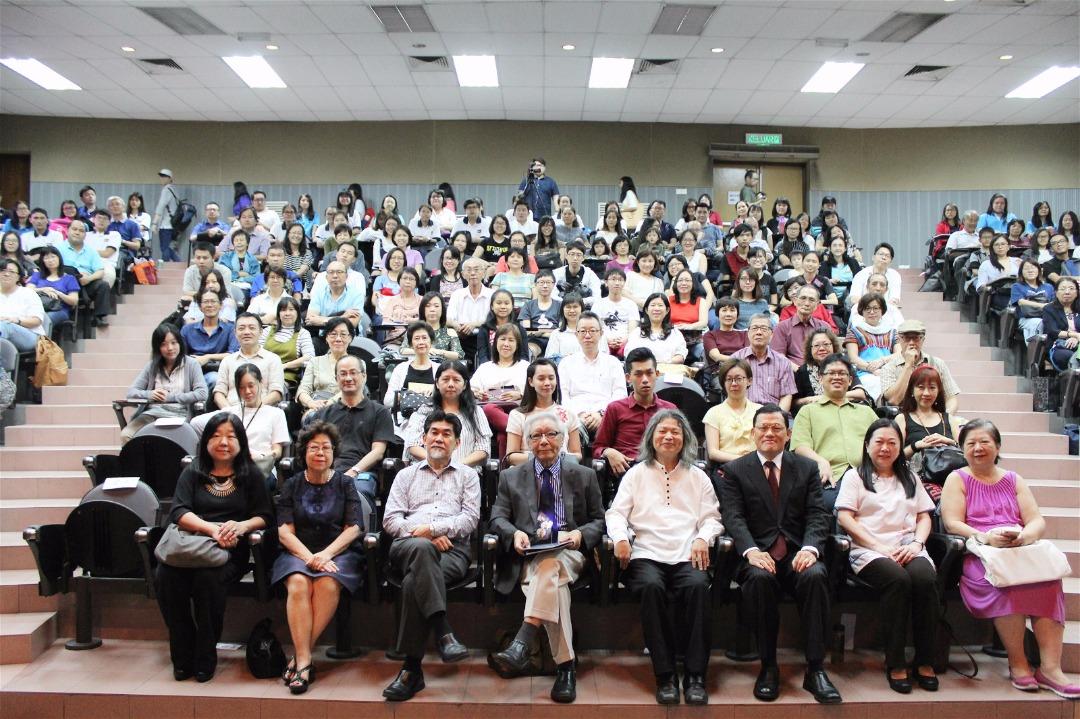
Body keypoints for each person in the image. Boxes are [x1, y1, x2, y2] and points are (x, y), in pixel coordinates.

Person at [940, 420, 1079, 699]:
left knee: (1048, 582)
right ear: (963, 449)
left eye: (985, 442)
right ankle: (1019, 664)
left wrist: (1025, 536)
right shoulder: (957, 478)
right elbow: (952, 523)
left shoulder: (1014, 479)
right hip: (981, 554)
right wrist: (985, 537)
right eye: (971, 444)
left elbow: (1036, 520)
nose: (978, 448)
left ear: (998, 446)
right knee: (1007, 585)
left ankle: (1051, 669)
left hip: (1017, 549)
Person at [718, 404, 841, 705]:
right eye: (763, 428)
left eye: (777, 428)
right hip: (758, 554)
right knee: (759, 580)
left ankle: (815, 669)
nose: (770, 433)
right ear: (753, 432)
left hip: (798, 551)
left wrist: (812, 548)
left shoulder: (806, 468)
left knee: (815, 576)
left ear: (788, 434)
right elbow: (733, 518)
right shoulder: (735, 470)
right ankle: (768, 666)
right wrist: (750, 551)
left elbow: (817, 514)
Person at [606, 409, 722, 706]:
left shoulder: (698, 476)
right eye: (662, 431)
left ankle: (696, 676)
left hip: (687, 553)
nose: (669, 436)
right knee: (650, 588)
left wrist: (701, 538)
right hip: (646, 553)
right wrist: (620, 538)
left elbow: (712, 518)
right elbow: (616, 513)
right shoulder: (636, 473)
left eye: (675, 432)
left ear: (685, 439)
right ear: (651, 437)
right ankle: (665, 675)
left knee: (698, 588)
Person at [487, 412, 604, 703]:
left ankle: (523, 642)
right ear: (526, 443)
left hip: (569, 551)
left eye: (551, 434)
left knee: (552, 565)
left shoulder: (584, 475)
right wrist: (514, 533)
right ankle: (566, 668)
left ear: (563, 439)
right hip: (529, 554)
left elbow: (599, 520)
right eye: (536, 436)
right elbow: (497, 517)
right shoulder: (511, 477)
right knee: (554, 582)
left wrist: (578, 536)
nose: (544, 442)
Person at [155, 413, 271, 682]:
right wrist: (213, 530)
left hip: (230, 553)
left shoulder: (250, 474)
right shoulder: (193, 470)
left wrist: (240, 527)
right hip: (191, 546)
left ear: (240, 441)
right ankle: (182, 656)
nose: (223, 442)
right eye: (217, 435)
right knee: (166, 577)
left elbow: (265, 515)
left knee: (208, 581)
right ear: (206, 440)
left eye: (231, 436)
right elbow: (179, 511)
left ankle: (205, 656)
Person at [381, 411, 481, 702]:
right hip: (407, 546)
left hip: (453, 550)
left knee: (415, 582)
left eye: (446, 433)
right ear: (423, 438)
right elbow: (391, 521)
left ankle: (411, 669)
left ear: (457, 442)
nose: (439, 437)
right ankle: (443, 631)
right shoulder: (405, 475)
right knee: (422, 551)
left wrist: (436, 529)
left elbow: (470, 519)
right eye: (434, 432)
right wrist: (423, 534)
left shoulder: (468, 476)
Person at [835, 419, 940, 693]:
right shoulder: (854, 477)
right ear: (867, 446)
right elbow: (845, 518)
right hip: (868, 549)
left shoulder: (910, 478)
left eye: (892, 443)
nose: (885, 448)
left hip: (907, 545)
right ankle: (895, 662)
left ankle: (925, 659)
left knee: (925, 580)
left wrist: (917, 544)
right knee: (898, 581)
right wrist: (878, 546)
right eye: (879, 442)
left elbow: (924, 517)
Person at [272, 421, 363, 695]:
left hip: (338, 552)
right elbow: (284, 532)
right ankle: (305, 660)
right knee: (299, 583)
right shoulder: (292, 485)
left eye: (326, 447)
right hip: (298, 551)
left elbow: (354, 528)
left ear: (334, 452)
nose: (320, 452)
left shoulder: (346, 483)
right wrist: (309, 556)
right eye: (314, 448)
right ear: (304, 453)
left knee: (327, 583)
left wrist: (324, 555)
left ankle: (300, 658)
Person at [791, 353, 878, 509]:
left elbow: (881, 442)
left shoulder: (866, 412)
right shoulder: (808, 411)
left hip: (866, 476)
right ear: (820, 378)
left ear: (850, 380)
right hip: (830, 477)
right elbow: (800, 446)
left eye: (842, 373)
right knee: (831, 504)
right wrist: (821, 461)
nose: (837, 377)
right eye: (831, 373)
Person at [192, 363, 289, 478]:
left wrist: (264, 456)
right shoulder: (230, 412)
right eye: (242, 387)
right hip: (232, 467)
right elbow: (195, 423)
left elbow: (277, 450)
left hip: (261, 468)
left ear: (260, 383)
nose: (247, 391)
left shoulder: (276, 413)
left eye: (251, 385)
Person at [309, 355, 396, 483]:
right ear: (336, 379)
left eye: (353, 373)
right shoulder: (323, 414)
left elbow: (378, 452)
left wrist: (353, 472)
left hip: (361, 474)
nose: (348, 378)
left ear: (364, 376)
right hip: (326, 472)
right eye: (343, 374)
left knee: (358, 490)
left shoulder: (380, 412)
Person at [593, 346, 675, 477]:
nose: (644, 380)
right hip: (627, 472)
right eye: (638, 374)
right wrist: (608, 452)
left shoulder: (669, 410)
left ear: (657, 374)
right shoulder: (615, 408)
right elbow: (598, 447)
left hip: (662, 472)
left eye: (649, 373)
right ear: (628, 377)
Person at [122, 323, 208, 443]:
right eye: (164, 344)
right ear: (157, 347)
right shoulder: (152, 366)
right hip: (152, 414)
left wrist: (171, 397)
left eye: (174, 342)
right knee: (127, 435)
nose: (170, 348)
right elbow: (131, 393)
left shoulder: (191, 364)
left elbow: (202, 393)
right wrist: (149, 394)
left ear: (180, 343)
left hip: (180, 415)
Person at [403, 362, 492, 468]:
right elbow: (413, 446)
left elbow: (483, 449)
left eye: (456, 380)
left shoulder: (475, 412)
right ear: (436, 383)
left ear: (464, 385)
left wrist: (456, 466)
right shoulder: (424, 411)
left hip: (464, 473)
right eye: (445, 379)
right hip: (428, 470)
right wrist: (438, 463)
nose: (450, 384)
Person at [894, 365, 963, 501]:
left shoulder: (949, 419)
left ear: (938, 392)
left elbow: (966, 453)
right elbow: (894, 457)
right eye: (921, 387)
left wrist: (949, 442)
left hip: (951, 480)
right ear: (912, 391)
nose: (926, 393)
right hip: (917, 480)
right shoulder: (902, 419)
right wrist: (917, 446)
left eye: (932, 388)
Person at [558, 310, 627, 436]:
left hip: (606, 417)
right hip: (575, 419)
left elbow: (620, 394)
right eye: (583, 331)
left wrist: (601, 414)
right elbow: (563, 396)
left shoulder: (613, 363)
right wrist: (580, 415)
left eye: (592, 331)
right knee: (569, 428)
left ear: (601, 333)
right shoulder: (566, 363)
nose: (587, 335)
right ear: (576, 334)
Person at [505, 358, 583, 465]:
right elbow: (511, 456)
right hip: (527, 473)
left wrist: (556, 459)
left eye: (551, 378)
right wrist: (542, 458)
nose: (547, 383)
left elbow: (577, 454)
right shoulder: (518, 415)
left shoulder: (569, 414)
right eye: (541, 379)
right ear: (531, 381)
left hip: (561, 473)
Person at [880, 319, 961, 413]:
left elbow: (951, 398)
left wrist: (946, 418)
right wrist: (908, 365)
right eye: (906, 338)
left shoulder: (938, 364)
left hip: (933, 416)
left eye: (916, 338)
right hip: (902, 417)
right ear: (899, 340)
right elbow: (894, 400)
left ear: (923, 339)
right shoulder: (889, 367)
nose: (911, 343)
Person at [212, 313, 284, 409]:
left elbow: (276, 393)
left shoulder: (273, 359)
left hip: (261, 410)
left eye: (252, 328)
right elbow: (219, 392)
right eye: (241, 328)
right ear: (235, 333)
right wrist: (229, 411)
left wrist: (253, 408)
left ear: (261, 332)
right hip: (231, 412)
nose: (246, 332)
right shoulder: (227, 360)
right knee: (196, 423)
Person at [733, 314, 797, 412]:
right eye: (754, 328)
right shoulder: (735, 359)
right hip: (743, 413)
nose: (759, 332)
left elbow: (786, 396)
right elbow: (731, 394)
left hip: (773, 415)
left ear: (771, 334)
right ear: (748, 333)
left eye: (763, 329)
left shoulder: (783, 362)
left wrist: (777, 418)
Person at [704, 358, 761, 465]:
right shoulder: (713, 413)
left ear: (749, 381)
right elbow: (713, 452)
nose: (734, 383)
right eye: (729, 379)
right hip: (727, 469)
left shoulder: (760, 411)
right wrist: (741, 460)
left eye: (738, 378)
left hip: (757, 467)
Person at [844, 293, 899, 400]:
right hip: (864, 373)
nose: (872, 312)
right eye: (867, 308)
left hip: (889, 371)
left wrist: (882, 361)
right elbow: (853, 358)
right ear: (862, 311)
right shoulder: (854, 331)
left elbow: (899, 354)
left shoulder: (892, 332)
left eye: (876, 308)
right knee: (875, 384)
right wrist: (872, 369)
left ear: (882, 310)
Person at [58, 218, 111, 326]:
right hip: (64, 284)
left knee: (103, 285)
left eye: (81, 231)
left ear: (85, 235)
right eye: (74, 229)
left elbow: (100, 271)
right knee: (69, 270)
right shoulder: (58, 248)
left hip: (86, 283)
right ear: (67, 231)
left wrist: (89, 279)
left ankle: (98, 317)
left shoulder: (91, 251)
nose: (77, 232)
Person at [180, 289, 238, 388]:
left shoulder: (230, 329)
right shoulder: (187, 330)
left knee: (214, 379)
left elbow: (233, 354)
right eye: (206, 302)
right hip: (191, 370)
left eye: (213, 301)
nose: (210, 305)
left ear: (221, 305)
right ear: (200, 307)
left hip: (217, 371)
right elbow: (180, 355)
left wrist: (207, 357)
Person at [295, 317, 352, 418]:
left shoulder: (357, 363)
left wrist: (328, 404)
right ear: (326, 338)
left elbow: (353, 391)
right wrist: (311, 403)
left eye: (343, 334)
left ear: (350, 338)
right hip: (314, 408)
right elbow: (303, 390)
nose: (338, 339)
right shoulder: (315, 361)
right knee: (313, 417)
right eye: (333, 334)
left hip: (344, 409)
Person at [258, 297, 313, 388]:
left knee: (272, 387)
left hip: (286, 375)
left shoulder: (303, 333)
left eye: (291, 310)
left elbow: (309, 357)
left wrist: (285, 365)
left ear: (297, 313)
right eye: (283, 310)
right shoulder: (267, 331)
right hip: (264, 371)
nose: (287, 313)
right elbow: (257, 351)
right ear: (278, 314)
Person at [771, 284, 829, 367]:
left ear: (817, 305)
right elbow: (778, 357)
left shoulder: (824, 327)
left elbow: (830, 356)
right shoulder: (782, 327)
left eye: (811, 300)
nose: (806, 303)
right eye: (803, 298)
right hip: (791, 374)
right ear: (795, 301)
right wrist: (800, 371)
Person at [447, 257, 494, 359]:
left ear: (483, 273)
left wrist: (474, 324)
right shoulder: (457, 294)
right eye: (468, 270)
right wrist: (456, 325)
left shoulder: (492, 295)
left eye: (476, 269)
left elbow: (495, 319)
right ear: (463, 275)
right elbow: (449, 318)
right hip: (461, 337)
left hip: (486, 338)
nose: (473, 273)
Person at [625, 293, 688, 367]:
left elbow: (681, 355)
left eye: (660, 305)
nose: (656, 308)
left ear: (667, 310)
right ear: (646, 310)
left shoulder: (675, 333)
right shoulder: (637, 333)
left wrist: (665, 363)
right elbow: (629, 354)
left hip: (668, 370)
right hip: (644, 372)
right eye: (653, 305)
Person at [26, 246, 79, 333]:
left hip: (59, 310)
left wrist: (57, 293)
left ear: (59, 258)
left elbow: (74, 301)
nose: (50, 260)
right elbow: (28, 290)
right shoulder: (37, 275)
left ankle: (42, 344)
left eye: (53, 257)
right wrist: (44, 289)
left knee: (45, 318)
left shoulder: (69, 278)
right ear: (43, 261)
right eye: (46, 258)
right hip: (37, 307)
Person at [518, 269, 561, 357]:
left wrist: (540, 331)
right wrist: (545, 332)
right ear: (535, 285)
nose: (545, 286)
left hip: (556, 340)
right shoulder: (528, 305)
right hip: (534, 340)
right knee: (531, 350)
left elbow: (562, 329)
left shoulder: (560, 305)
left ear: (553, 285)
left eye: (548, 282)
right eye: (541, 282)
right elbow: (525, 330)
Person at [1011, 259, 1055, 342]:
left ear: (1039, 270)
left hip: (1046, 316)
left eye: (1033, 267)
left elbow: (1054, 302)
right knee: (1038, 322)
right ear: (1021, 272)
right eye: (1026, 268)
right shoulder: (1017, 286)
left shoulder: (1048, 286)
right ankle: (1034, 351)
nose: (1030, 270)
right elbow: (1020, 301)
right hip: (1026, 318)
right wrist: (1043, 305)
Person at [1042, 276, 1080, 372]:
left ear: (1077, 292)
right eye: (1063, 289)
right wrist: (1073, 335)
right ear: (1056, 292)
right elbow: (1052, 331)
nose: (1067, 292)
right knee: (1067, 356)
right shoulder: (1049, 309)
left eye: (1071, 289)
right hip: (1059, 345)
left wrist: (1076, 339)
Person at [704, 296, 748, 366]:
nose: (728, 314)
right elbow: (716, 357)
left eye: (732, 310)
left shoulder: (745, 334)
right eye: (724, 310)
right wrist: (739, 360)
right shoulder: (709, 335)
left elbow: (748, 356)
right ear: (717, 314)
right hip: (719, 372)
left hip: (743, 371)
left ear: (738, 314)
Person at [151, 169, 181, 262]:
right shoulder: (174, 190)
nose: (162, 178)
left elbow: (160, 206)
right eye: (161, 176)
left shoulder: (166, 189)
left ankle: (166, 267)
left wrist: (154, 223)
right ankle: (178, 263)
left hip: (166, 224)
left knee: (164, 248)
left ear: (170, 178)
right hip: (174, 224)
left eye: (165, 176)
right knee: (167, 247)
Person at [519, 157, 559, 222]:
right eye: (534, 165)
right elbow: (520, 196)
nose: (537, 167)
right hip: (527, 214)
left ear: (544, 168)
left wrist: (557, 212)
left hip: (544, 214)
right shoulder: (526, 181)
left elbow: (556, 198)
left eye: (539, 165)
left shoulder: (551, 182)